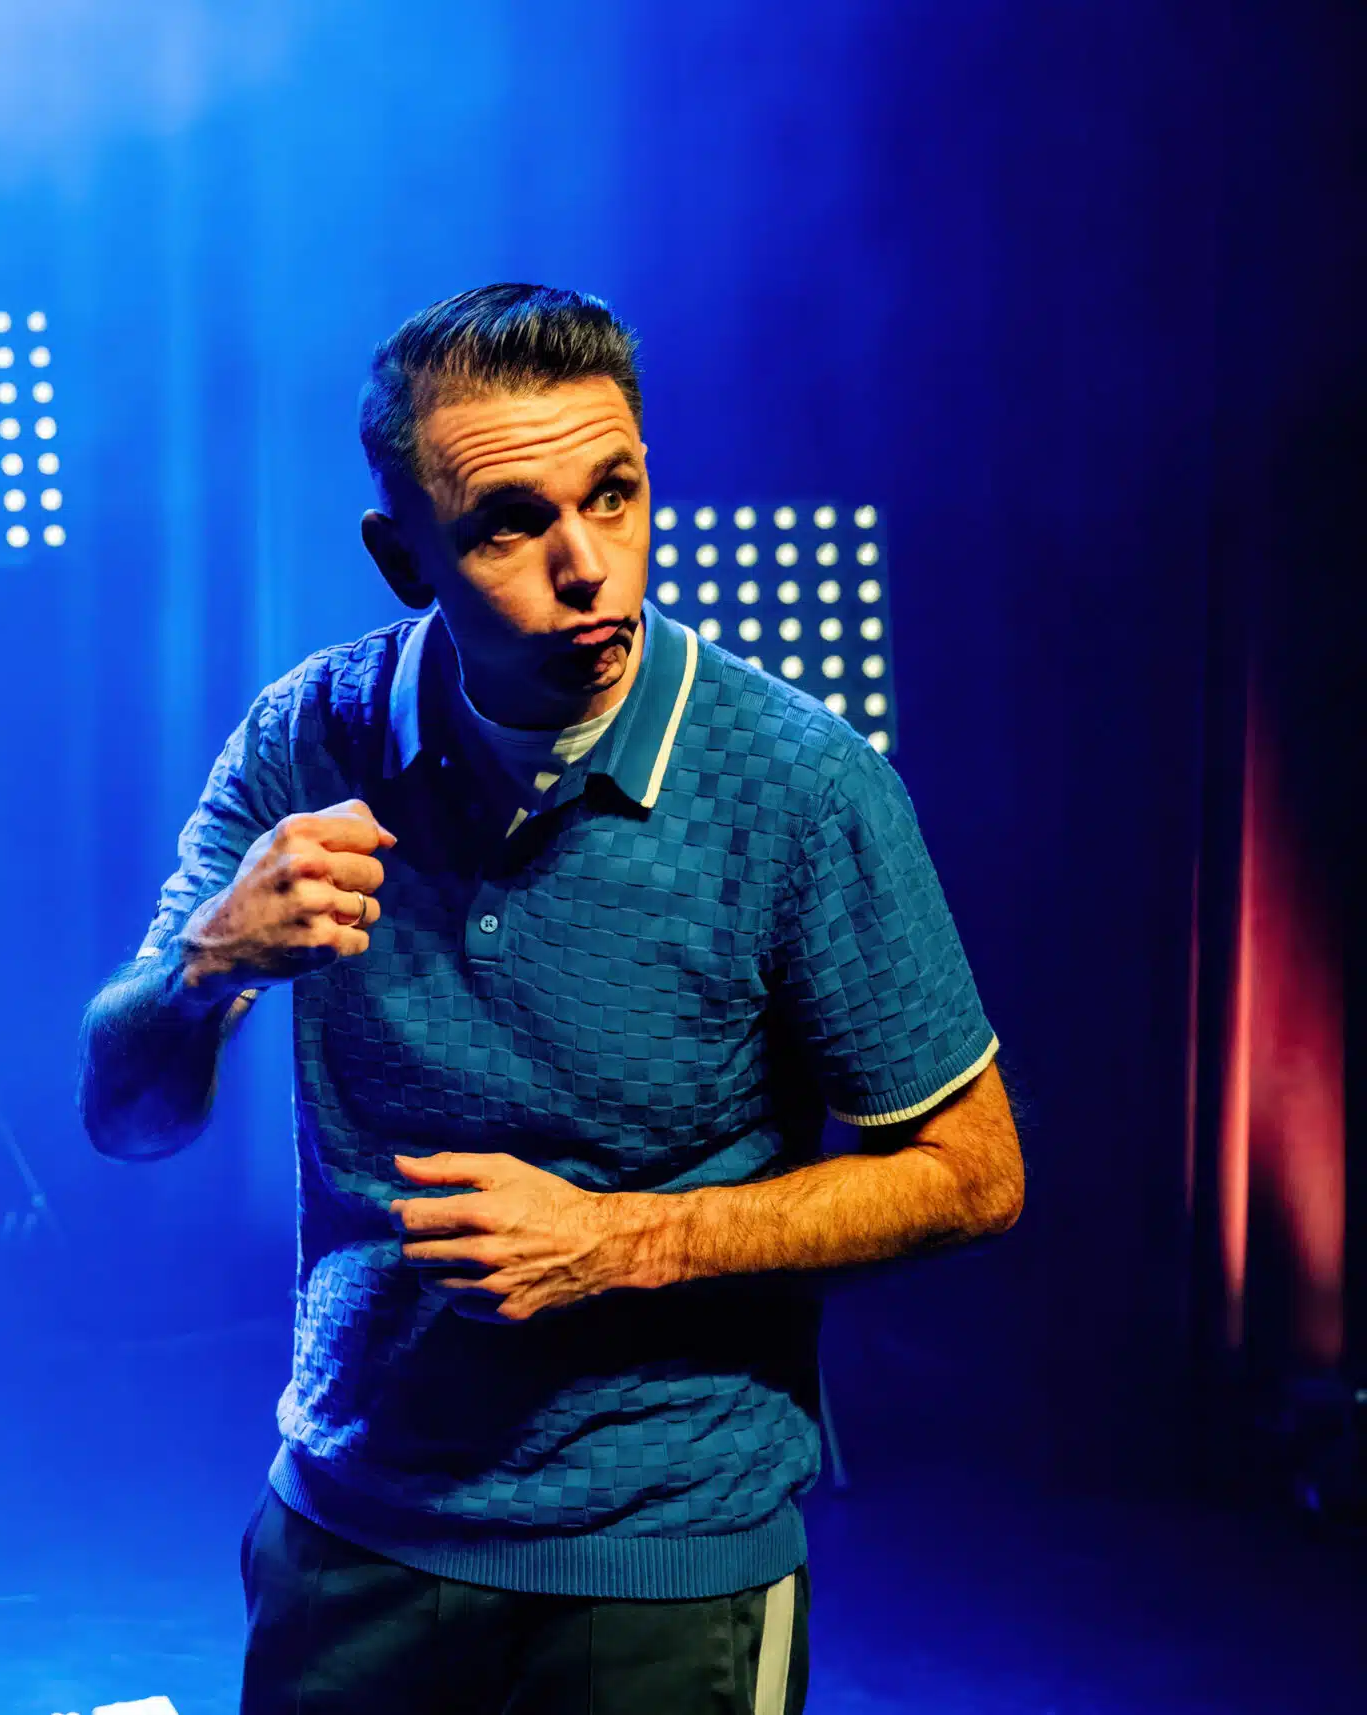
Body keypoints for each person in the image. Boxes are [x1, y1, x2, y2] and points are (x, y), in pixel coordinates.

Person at [78, 284, 1023, 1715]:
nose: (589, 567)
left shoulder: (797, 782)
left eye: (615, 494)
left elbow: (975, 1174)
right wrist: (209, 961)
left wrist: (616, 1241)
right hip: (351, 1537)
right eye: (510, 525)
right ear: (404, 559)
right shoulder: (307, 739)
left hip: (665, 1569)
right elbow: (127, 1120)